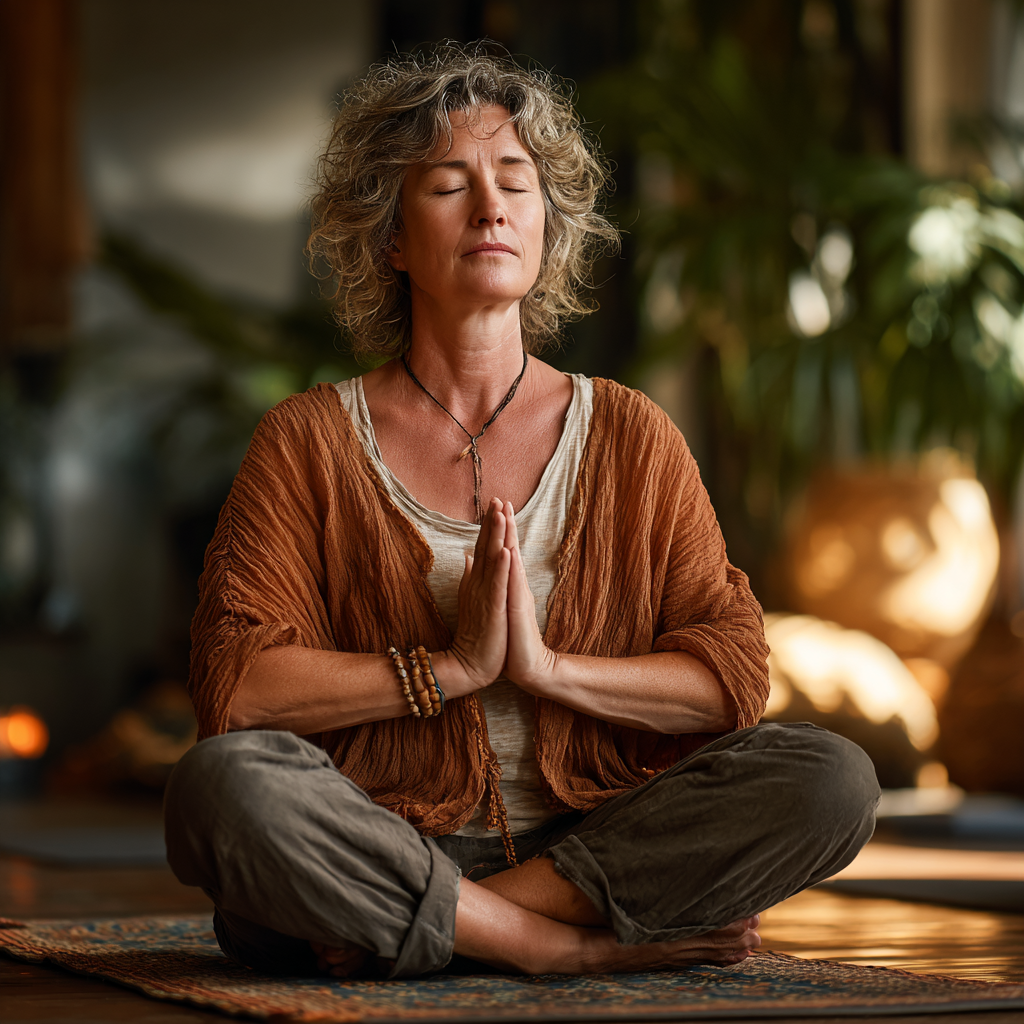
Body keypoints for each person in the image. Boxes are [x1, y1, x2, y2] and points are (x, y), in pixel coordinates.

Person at [164, 43, 879, 981]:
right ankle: (554, 950)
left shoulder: (630, 433)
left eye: (517, 182)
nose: (492, 206)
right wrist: (450, 668)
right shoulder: (306, 441)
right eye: (450, 185)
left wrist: (545, 669)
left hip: (592, 847)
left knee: (832, 778)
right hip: (370, 831)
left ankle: (447, 927)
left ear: (549, 227)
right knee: (219, 792)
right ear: (390, 235)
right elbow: (241, 690)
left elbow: (730, 676)